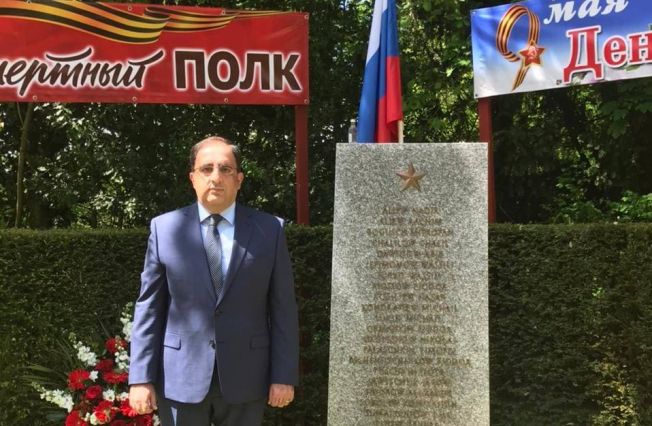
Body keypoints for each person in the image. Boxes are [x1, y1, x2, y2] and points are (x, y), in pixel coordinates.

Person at [128, 136, 299, 426]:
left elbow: (283, 308)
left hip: (247, 379)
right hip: (180, 378)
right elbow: (149, 308)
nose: (216, 178)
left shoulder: (270, 230)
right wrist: (140, 378)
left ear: (240, 179)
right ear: (192, 178)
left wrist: (283, 376)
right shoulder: (165, 229)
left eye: (225, 169)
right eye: (206, 169)